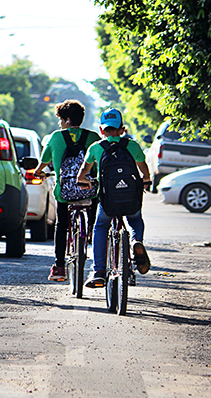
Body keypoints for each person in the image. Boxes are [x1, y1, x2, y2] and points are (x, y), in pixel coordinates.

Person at [77, 108, 151, 289]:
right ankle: (135, 242)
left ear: (102, 130)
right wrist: (146, 181)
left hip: (108, 200)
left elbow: (83, 173)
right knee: (134, 219)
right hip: (131, 197)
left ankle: (99, 272)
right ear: (122, 129)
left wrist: (83, 181)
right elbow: (144, 168)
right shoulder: (132, 145)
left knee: (101, 226)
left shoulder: (96, 147)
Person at [33, 100, 101, 282]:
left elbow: (44, 161)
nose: (60, 124)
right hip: (89, 190)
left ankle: (59, 267)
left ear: (68, 120)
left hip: (65, 192)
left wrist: (38, 172)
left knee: (62, 225)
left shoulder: (56, 137)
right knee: (96, 223)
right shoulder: (93, 137)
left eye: (62, 120)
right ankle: (98, 260)